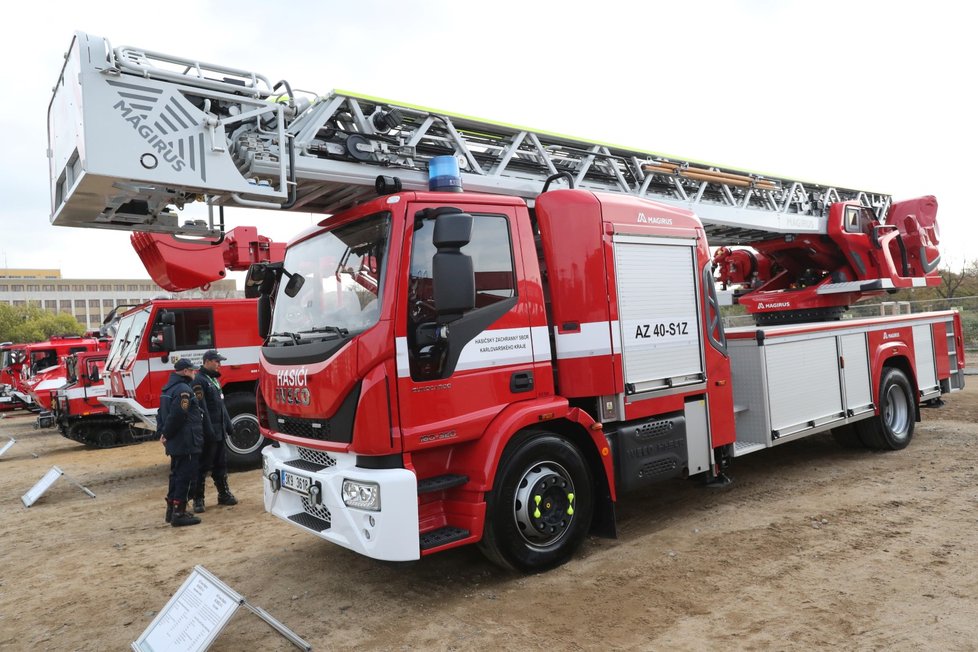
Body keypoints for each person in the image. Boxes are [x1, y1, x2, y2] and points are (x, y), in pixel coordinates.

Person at [159, 357, 211, 527]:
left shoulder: (168, 388)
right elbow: (178, 415)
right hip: (186, 441)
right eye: (193, 370)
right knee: (186, 477)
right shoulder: (184, 390)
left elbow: (161, 414)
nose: (195, 372)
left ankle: (171, 511)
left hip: (176, 441)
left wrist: (163, 433)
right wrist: (167, 433)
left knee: (175, 475)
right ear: (186, 371)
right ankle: (179, 513)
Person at [189, 350, 238, 513]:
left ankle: (223, 494)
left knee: (221, 464)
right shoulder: (199, 381)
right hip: (209, 433)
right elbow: (202, 409)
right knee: (202, 466)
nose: (219, 364)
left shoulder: (213, 380)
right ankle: (198, 499)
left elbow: (221, 406)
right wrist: (208, 431)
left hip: (219, 432)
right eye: (217, 361)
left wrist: (229, 425)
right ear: (207, 361)